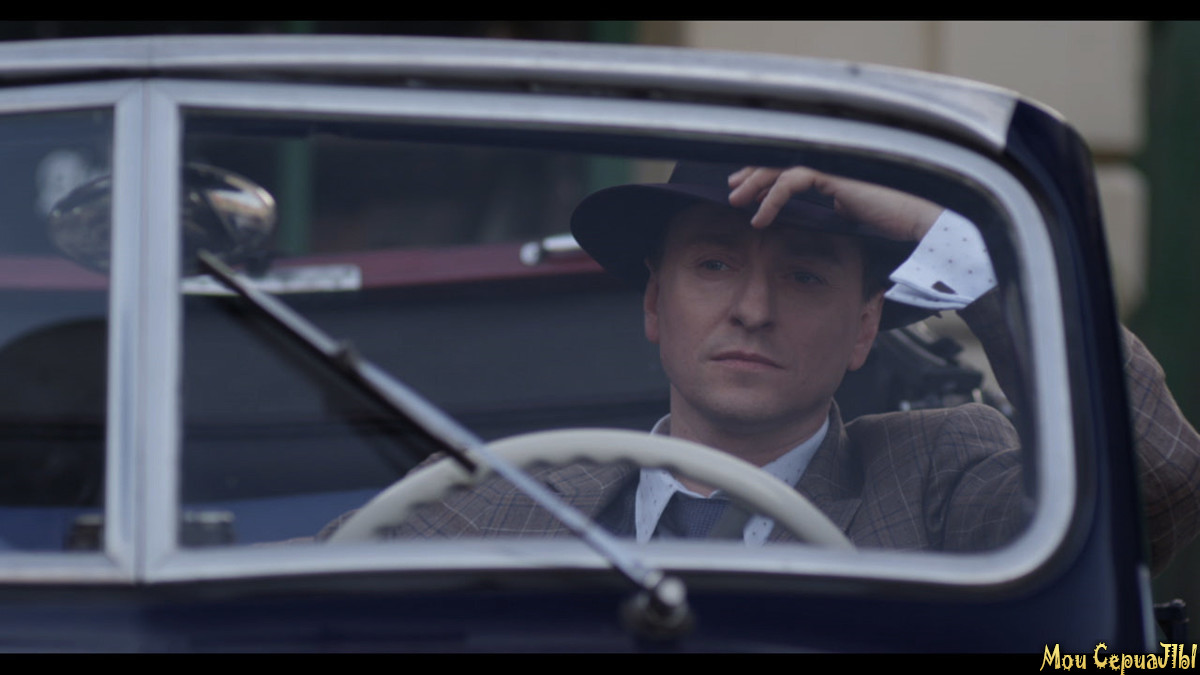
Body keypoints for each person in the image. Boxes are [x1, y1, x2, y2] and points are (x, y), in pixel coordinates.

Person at [321, 161, 1200, 574]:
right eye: (714, 263)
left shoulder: (939, 479)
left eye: (805, 274)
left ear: (865, 327)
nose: (753, 307)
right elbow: (274, 603)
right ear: (655, 304)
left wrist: (949, 241)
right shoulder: (499, 499)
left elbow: (1154, 479)